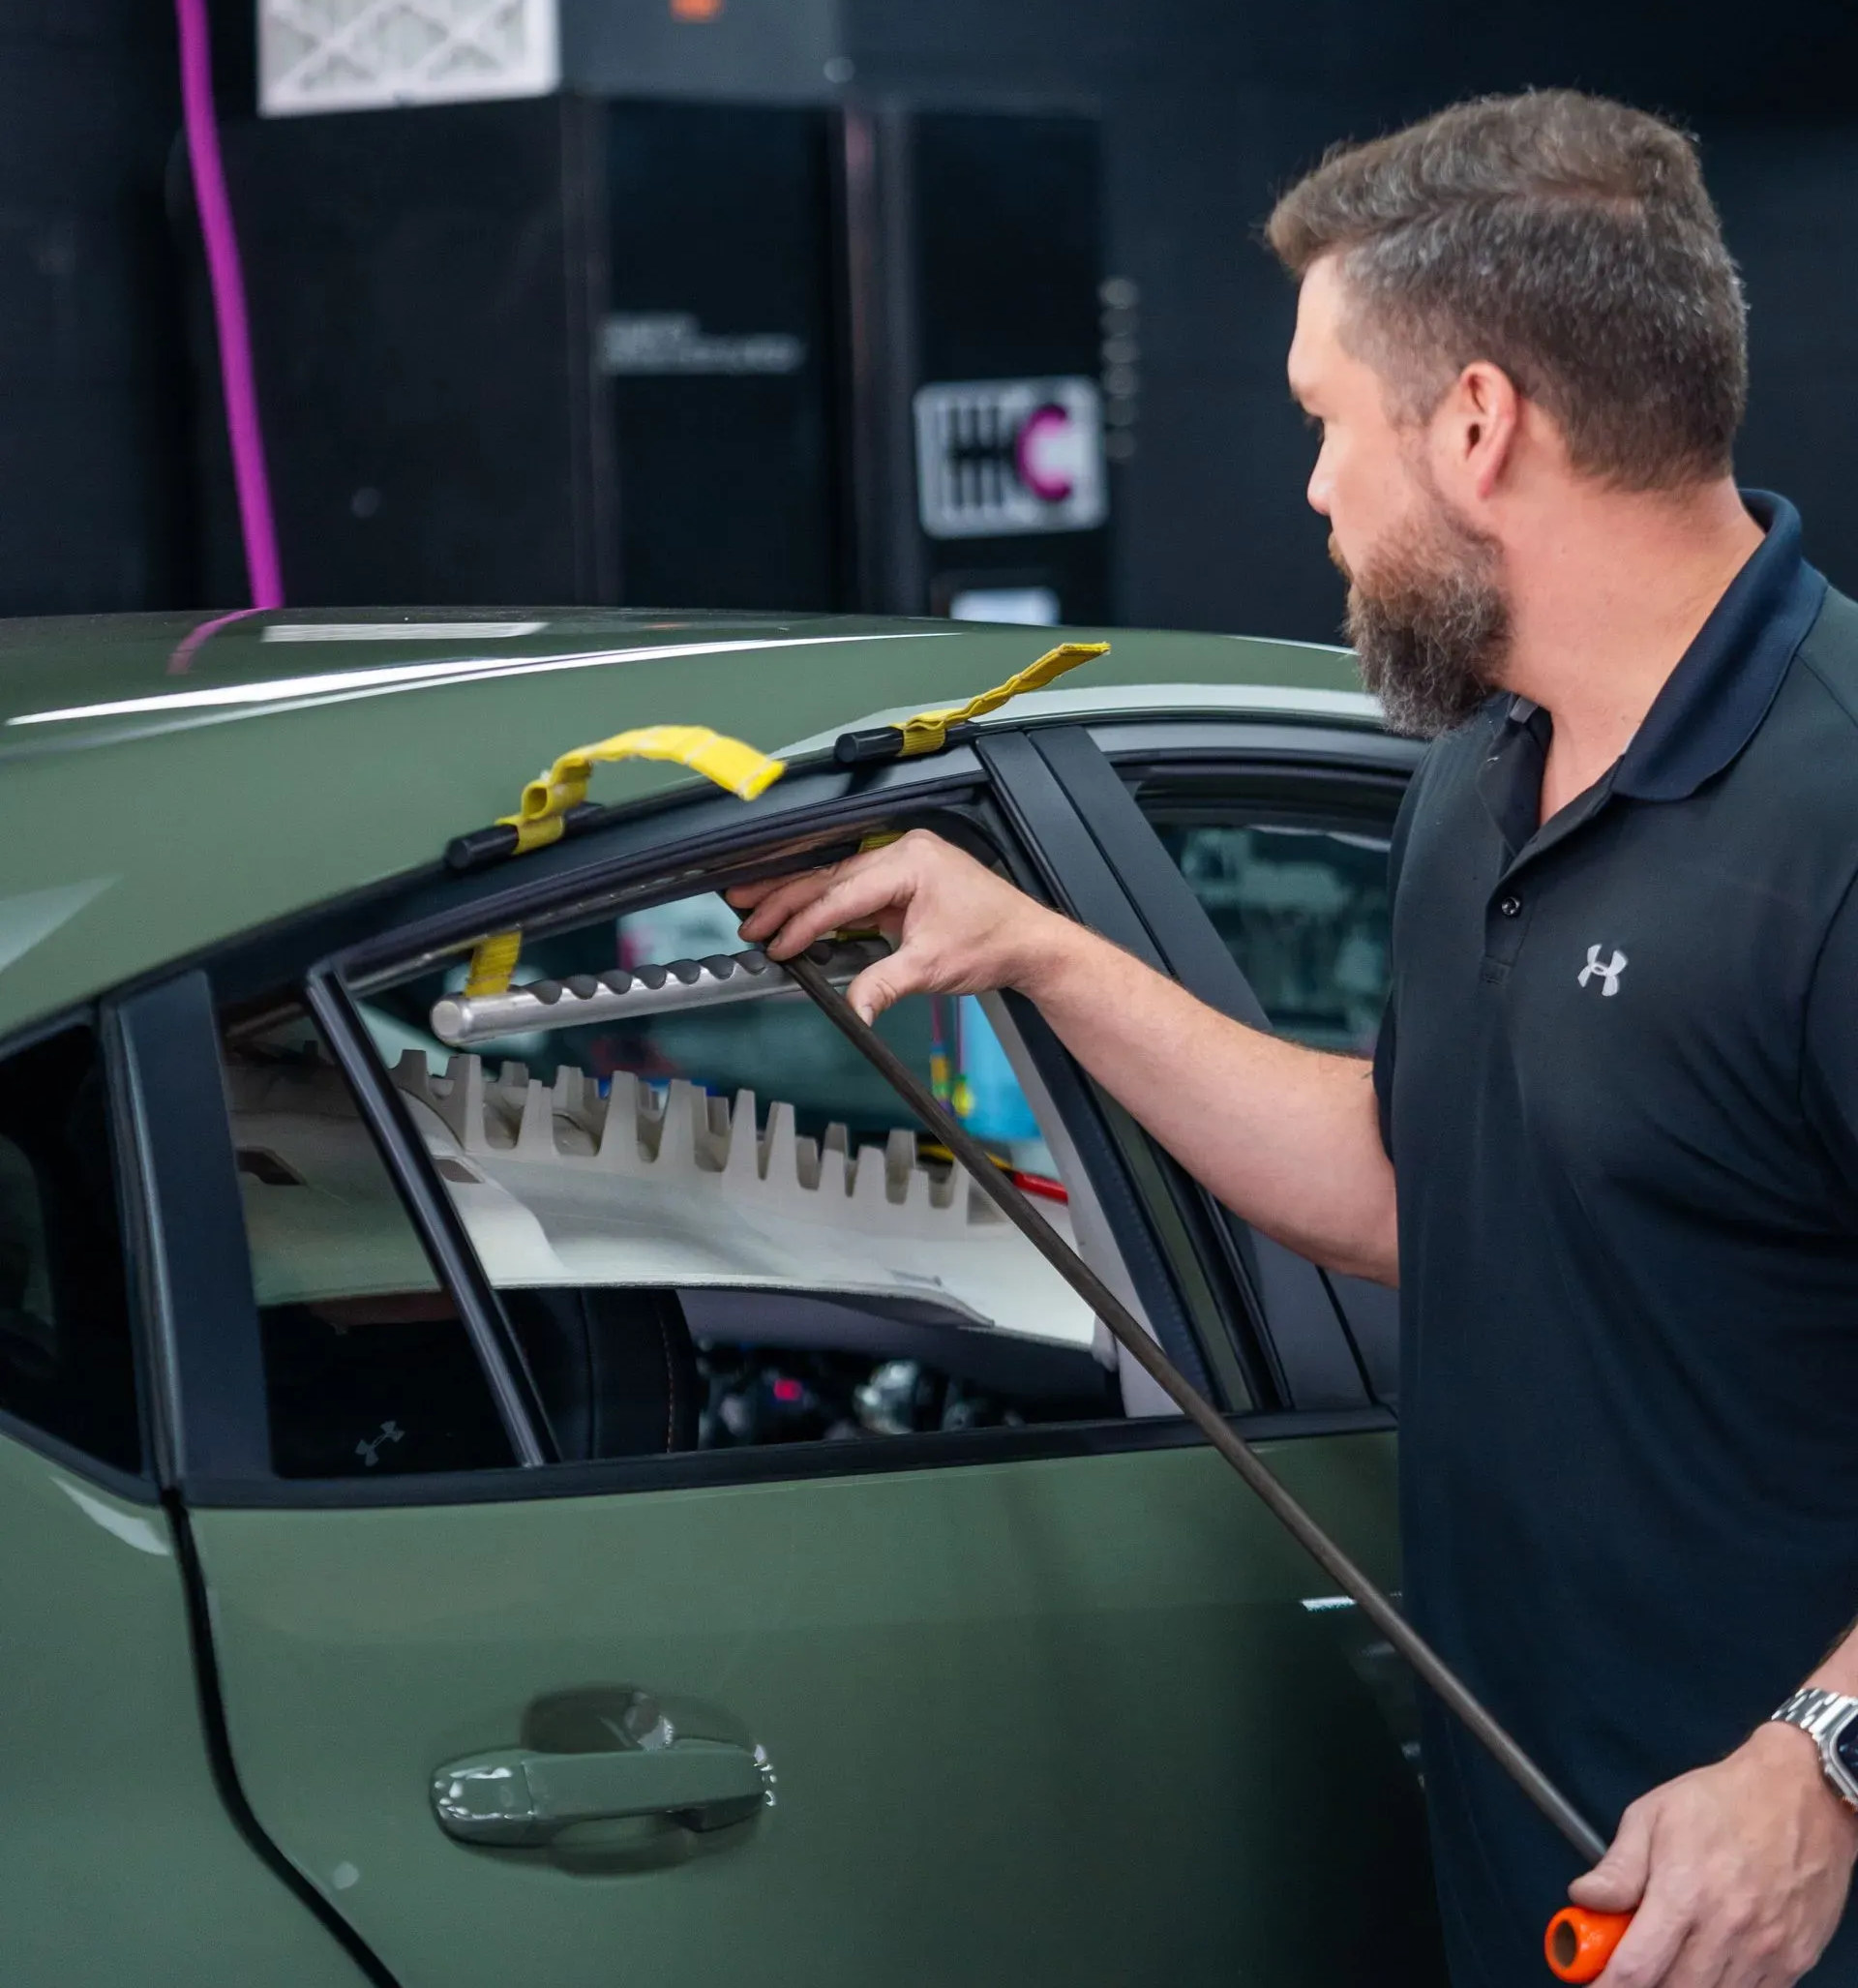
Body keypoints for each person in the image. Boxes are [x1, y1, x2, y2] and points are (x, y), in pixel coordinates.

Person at [734, 90, 1858, 1988]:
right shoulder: (1481, 775)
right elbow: (1420, 1187)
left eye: (1329, 419)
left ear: (1479, 423)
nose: (1315, 490)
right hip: (1559, 1888)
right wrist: (1045, 958)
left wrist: (1824, 1767)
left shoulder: (1835, 813)